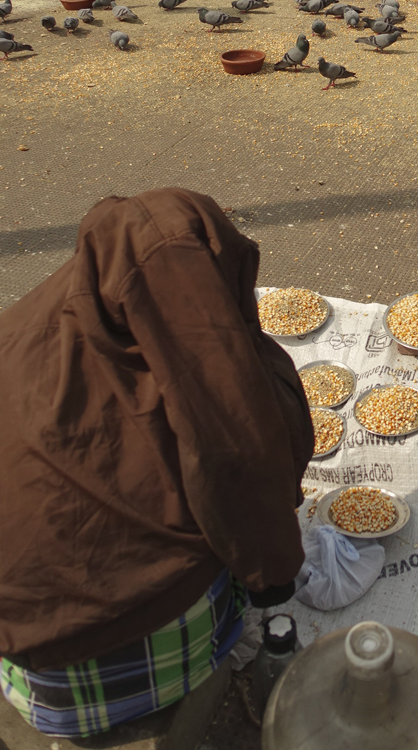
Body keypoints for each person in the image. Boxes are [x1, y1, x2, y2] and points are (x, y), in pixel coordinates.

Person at [0, 188, 313, 737]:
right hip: (134, 655)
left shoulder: (22, 329)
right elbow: (240, 460)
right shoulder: (197, 334)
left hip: (26, 668)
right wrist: (272, 578)